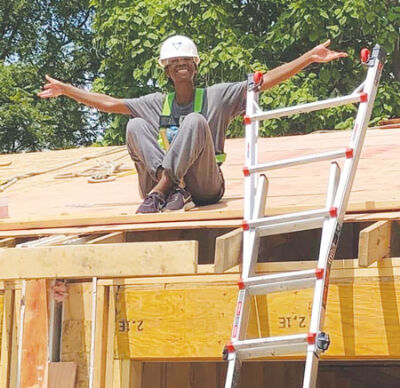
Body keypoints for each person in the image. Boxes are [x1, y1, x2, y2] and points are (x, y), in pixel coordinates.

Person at [38, 36, 347, 214]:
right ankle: (166, 190)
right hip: (162, 195)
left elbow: (263, 82)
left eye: (186, 61)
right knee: (133, 127)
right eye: (175, 63)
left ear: (195, 67)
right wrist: (67, 89)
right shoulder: (156, 102)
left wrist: (308, 57)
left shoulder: (216, 97)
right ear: (168, 71)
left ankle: (164, 191)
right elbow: (110, 103)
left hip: (203, 187)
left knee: (196, 122)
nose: (181, 65)